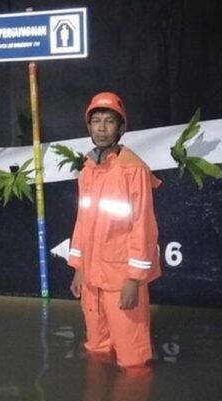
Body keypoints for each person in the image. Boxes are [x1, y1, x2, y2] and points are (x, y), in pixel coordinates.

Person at [68, 91, 162, 369]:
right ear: (88, 126)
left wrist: (134, 280)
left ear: (122, 128)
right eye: (96, 121)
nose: (101, 127)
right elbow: (83, 222)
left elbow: (143, 227)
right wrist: (79, 268)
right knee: (96, 350)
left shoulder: (133, 170)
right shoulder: (87, 169)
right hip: (92, 279)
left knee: (132, 359)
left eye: (109, 121)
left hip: (121, 279)